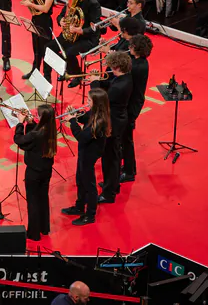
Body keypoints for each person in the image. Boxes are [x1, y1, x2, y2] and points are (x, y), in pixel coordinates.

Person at [60, 88, 111, 226]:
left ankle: (90, 214)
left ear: (97, 103)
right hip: (84, 152)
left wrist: (72, 122)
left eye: (89, 101)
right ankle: (79, 205)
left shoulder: (99, 121)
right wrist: (75, 114)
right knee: (80, 180)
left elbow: (82, 137)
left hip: (90, 154)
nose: (86, 103)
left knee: (89, 184)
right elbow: (85, 118)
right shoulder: (94, 113)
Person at [89, 51, 133, 204]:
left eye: (113, 67)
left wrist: (94, 83)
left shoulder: (119, 87)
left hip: (113, 123)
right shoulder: (125, 77)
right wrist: (100, 80)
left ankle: (109, 193)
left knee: (110, 158)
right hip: (118, 119)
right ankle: (113, 185)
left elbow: (100, 100)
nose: (111, 70)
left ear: (118, 67)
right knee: (113, 156)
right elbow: (110, 83)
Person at [13, 104, 56, 239]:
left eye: (37, 115)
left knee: (33, 201)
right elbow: (33, 140)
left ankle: (34, 233)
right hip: (46, 170)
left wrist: (20, 123)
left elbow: (20, 141)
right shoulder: (50, 128)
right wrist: (30, 123)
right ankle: (44, 228)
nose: (35, 116)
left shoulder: (36, 134)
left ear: (42, 118)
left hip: (34, 172)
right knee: (43, 198)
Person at [43, 0, 102, 88]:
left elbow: (96, 26)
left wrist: (81, 31)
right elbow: (61, 15)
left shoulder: (93, 4)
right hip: (70, 35)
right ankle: (47, 77)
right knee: (48, 47)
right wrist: (60, 20)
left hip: (87, 38)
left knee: (68, 53)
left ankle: (77, 75)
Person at [120, 34, 153, 183]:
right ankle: (128, 167)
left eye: (131, 46)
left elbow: (121, 74)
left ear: (137, 49)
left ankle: (129, 172)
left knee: (126, 140)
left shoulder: (137, 67)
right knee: (125, 139)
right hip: (133, 102)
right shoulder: (139, 61)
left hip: (131, 106)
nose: (129, 48)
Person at [21, 0, 57, 80]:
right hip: (35, 18)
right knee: (36, 48)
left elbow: (46, 8)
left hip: (45, 21)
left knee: (45, 49)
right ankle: (34, 71)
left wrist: (30, 4)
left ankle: (47, 77)